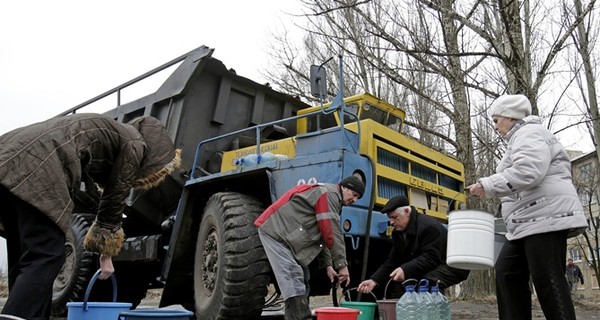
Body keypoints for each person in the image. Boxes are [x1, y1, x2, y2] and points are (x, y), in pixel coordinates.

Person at [0, 113, 181, 320]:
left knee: (24, 255)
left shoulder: (111, 133)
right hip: (39, 165)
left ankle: (22, 315)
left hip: (8, 155)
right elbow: (113, 202)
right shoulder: (135, 143)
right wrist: (106, 255)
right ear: (155, 152)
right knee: (47, 253)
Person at [466, 94, 587, 320]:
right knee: (507, 273)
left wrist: (488, 184)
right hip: (525, 222)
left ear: (511, 116)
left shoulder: (529, 133)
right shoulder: (519, 138)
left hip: (545, 217)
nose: (494, 127)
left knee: (548, 280)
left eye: (496, 120)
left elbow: (528, 171)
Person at [254, 175, 365, 320]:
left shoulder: (333, 199)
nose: (354, 200)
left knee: (303, 278)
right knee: (293, 276)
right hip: (275, 232)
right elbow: (331, 232)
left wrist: (328, 265)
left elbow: (323, 234)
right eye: (354, 194)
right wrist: (342, 266)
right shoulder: (329, 194)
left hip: (288, 237)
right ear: (344, 187)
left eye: (358, 197)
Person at [357, 195, 469, 297]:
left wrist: (404, 269)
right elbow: (392, 261)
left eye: (394, 217)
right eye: (389, 218)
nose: (391, 222)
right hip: (432, 264)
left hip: (453, 265)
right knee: (400, 286)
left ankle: (436, 314)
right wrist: (374, 280)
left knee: (427, 283)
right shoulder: (398, 233)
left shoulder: (429, 227)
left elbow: (431, 258)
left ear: (407, 211)